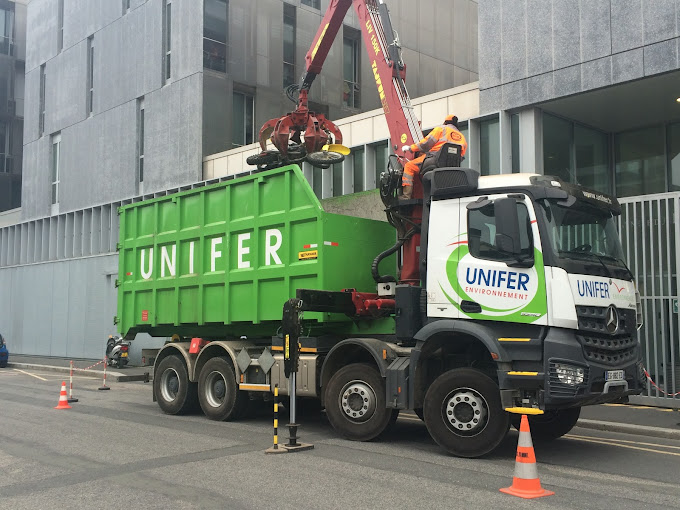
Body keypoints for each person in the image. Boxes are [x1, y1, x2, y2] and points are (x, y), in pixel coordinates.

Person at [400, 114, 468, 199]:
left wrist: (410, 148)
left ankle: (406, 196)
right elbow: (461, 155)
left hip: (434, 160)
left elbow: (426, 143)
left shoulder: (441, 129)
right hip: (451, 166)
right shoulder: (462, 137)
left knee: (409, 166)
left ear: (445, 122)